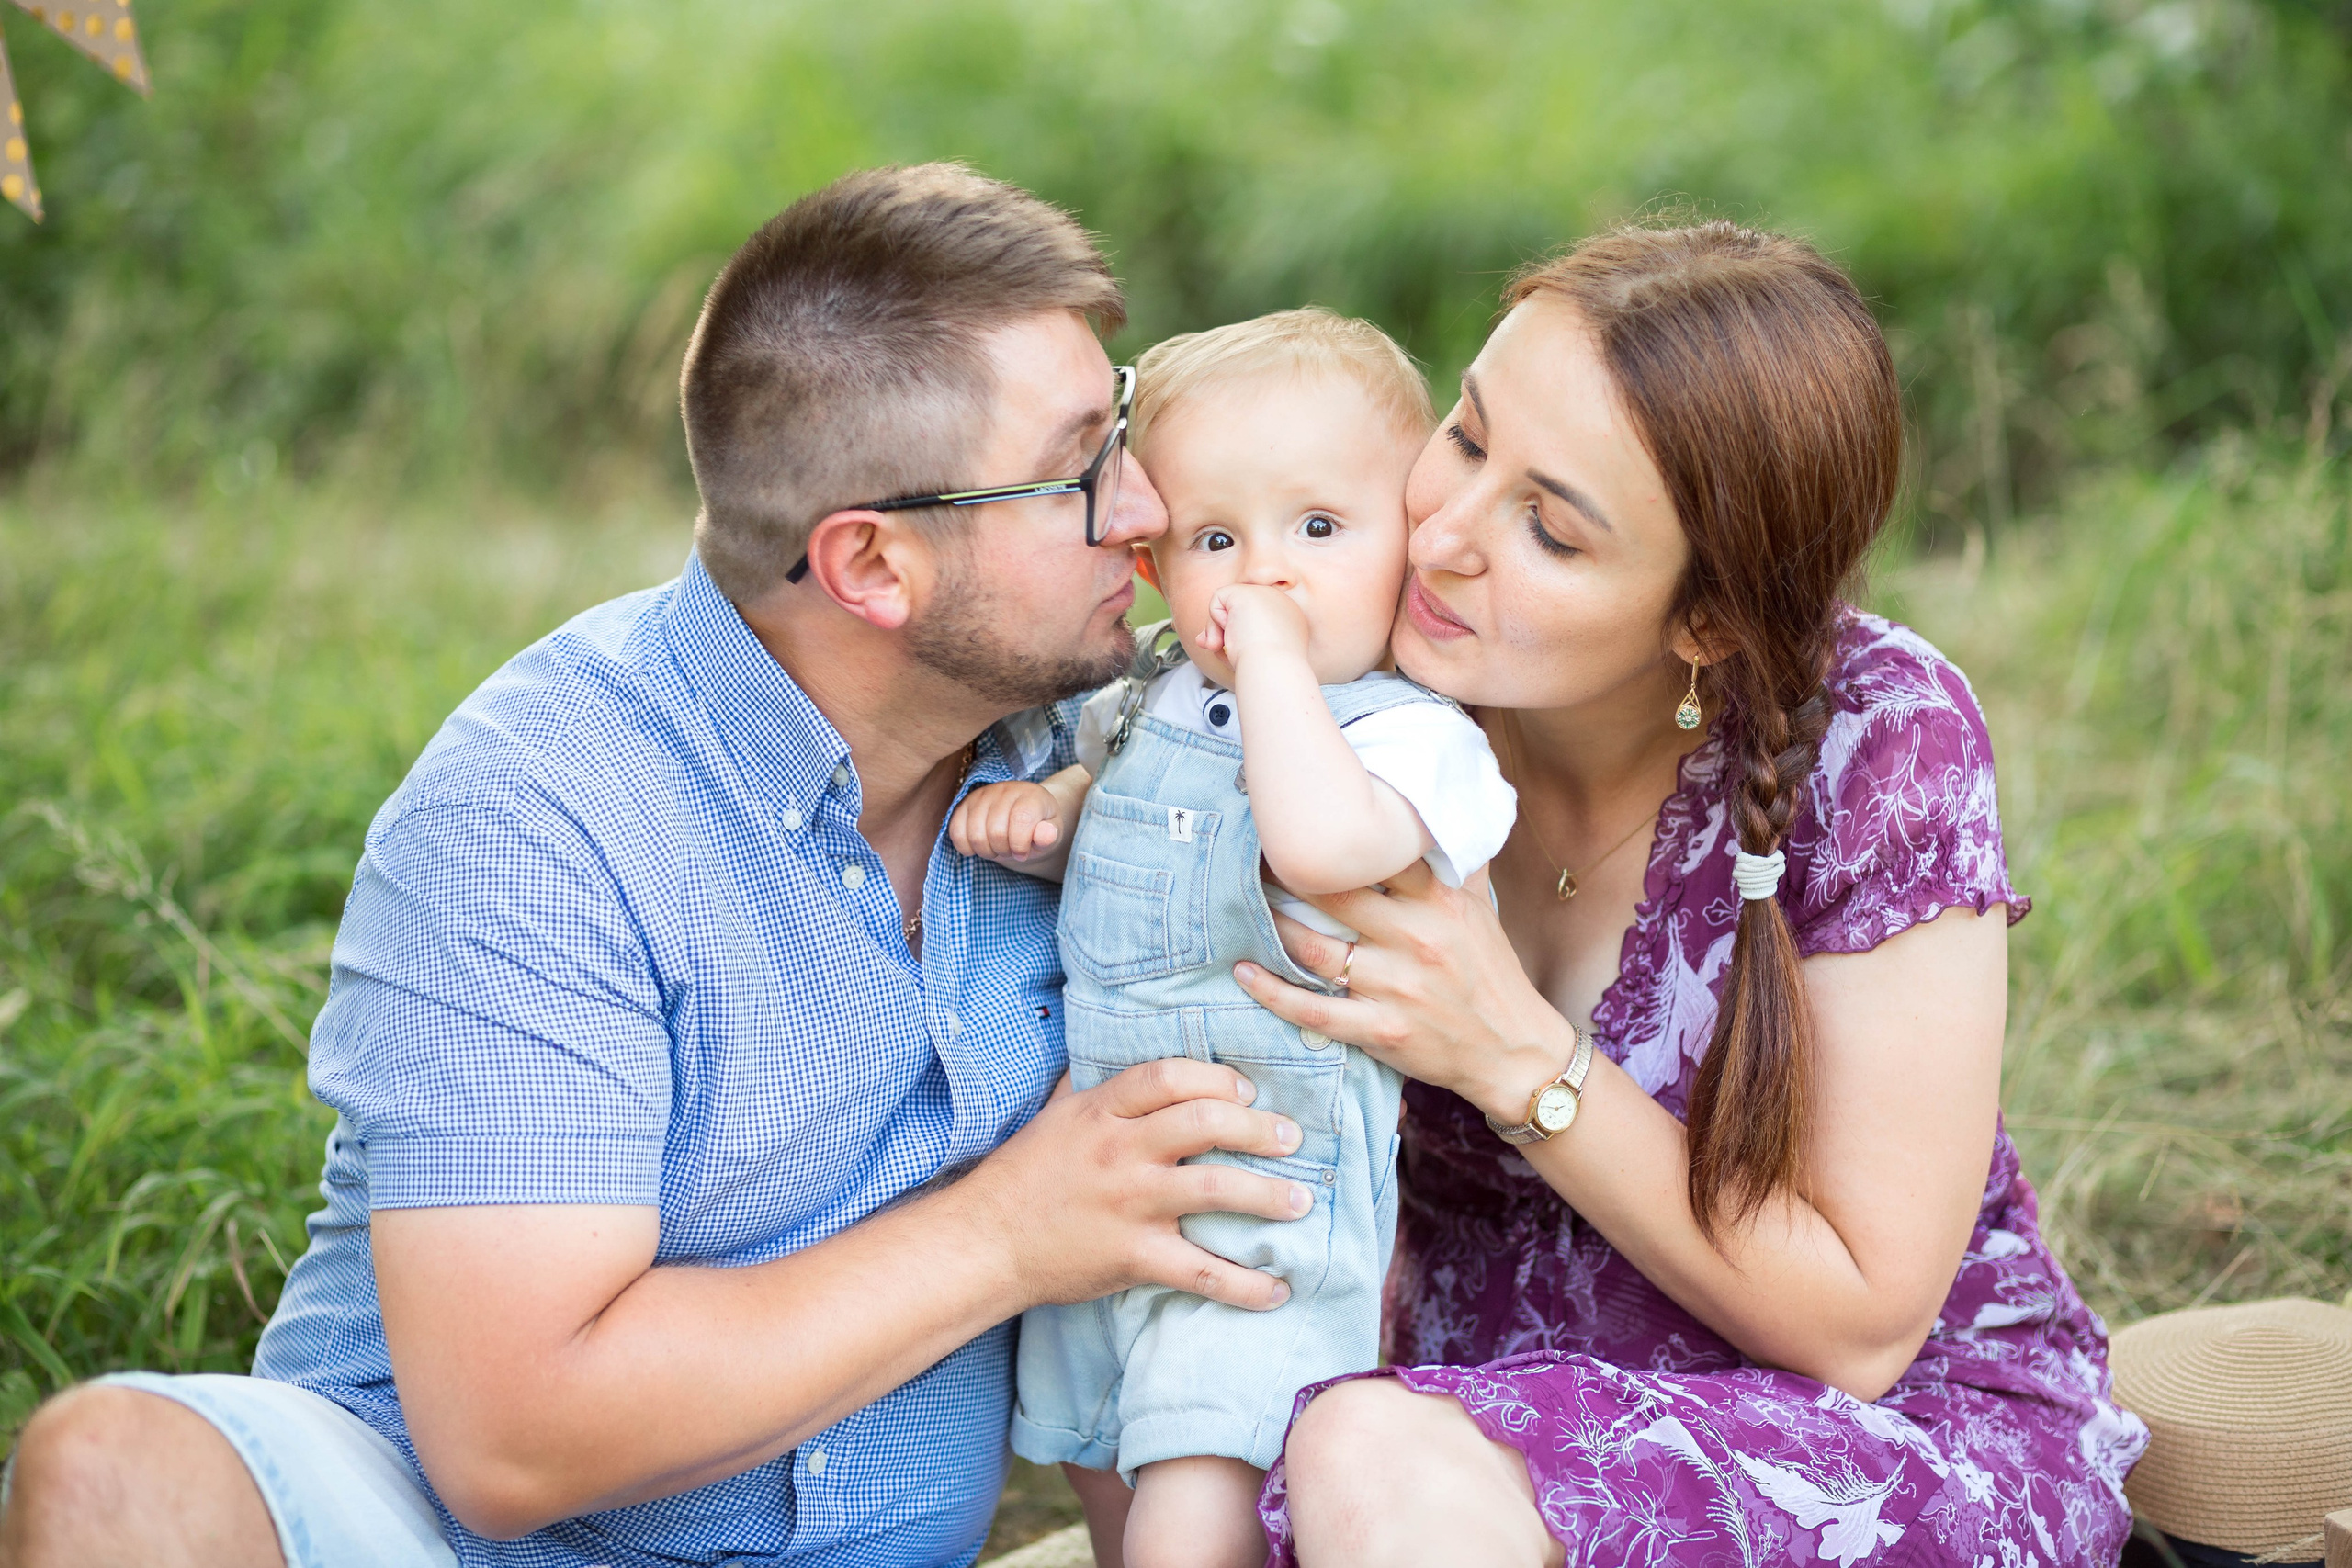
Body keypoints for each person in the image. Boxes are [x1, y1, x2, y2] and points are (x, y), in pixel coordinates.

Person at [0, 164, 1317, 1568]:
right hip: (441, 1545)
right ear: (874, 568)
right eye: (1080, 468)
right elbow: (514, 1439)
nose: (1145, 506)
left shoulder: (1118, 756)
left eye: (1122, 424)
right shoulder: (539, 814)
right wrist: (1009, 1233)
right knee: (117, 1476)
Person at [1229, 224, 2152, 1566]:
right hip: (1465, 1453)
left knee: (1364, 1457)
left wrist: (1516, 1056)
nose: (1442, 536)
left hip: (1869, 1440)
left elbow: (1862, 1328)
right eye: (1467, 437)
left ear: (1705, 620)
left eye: (1549, 529)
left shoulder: (1877, 739)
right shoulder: (1351, 699)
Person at [949, 310, 1516, 1568]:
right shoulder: (1147, 703)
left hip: (1268, 1209)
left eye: (1318, 528)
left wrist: (1269, 663)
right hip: (1106, 1180)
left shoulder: (1412, 737)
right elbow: (1131, 824)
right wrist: (1049, 817)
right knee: (1102, 1462)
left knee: (1192, 1505)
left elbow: (1316, 845)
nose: (1267, 575)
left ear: (1407, 542)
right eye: (1218, 540)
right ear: (1158, 566)